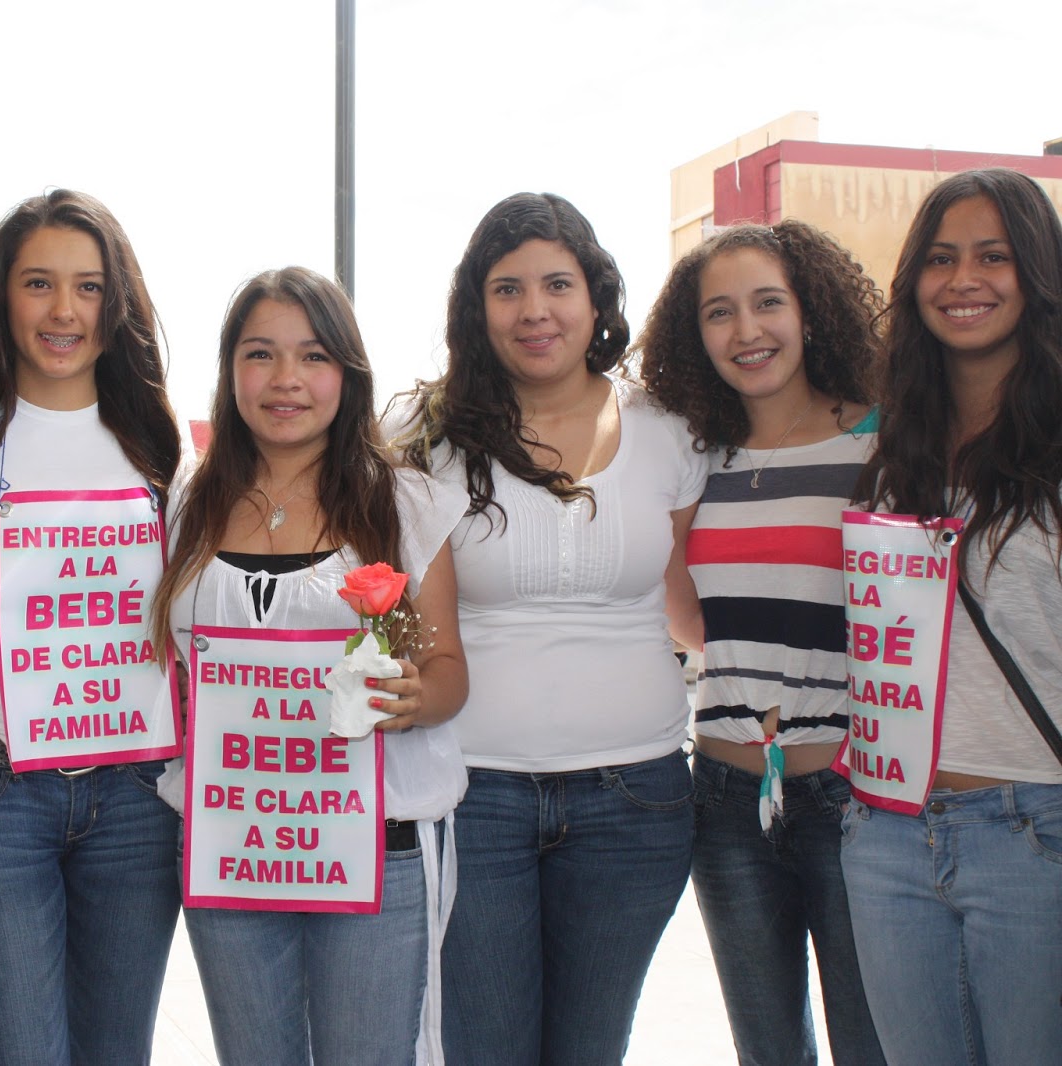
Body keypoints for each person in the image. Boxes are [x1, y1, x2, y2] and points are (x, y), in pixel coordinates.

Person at [394, 192, 705, 1064]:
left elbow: (689, 603)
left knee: (590, 1048)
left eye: (557, 284)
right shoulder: (424, 437)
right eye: (508, 289)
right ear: (477, 307)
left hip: (637, 801)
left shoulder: (671, 431)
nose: (535, 310)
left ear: (596, 297)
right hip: (473, 796)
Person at [150, 267, 469, 1065]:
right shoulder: (186, 506)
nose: (285, 378)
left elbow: (446, 669)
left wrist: (413, 697)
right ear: (230, 372)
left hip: (376, 846)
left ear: (348, 374)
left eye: (313, 356)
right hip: (233, 841)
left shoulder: (404, 503)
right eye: (260, 354)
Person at [0, 189, 183, 1066]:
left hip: (134, 794)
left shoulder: (160, 442)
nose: (64, 310)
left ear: (118, 303)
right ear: (1, 296)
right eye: (38, 283)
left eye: (89, 287)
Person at [637, 218, 887, 1066]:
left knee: (873, 1046)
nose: (747, 330)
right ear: (695, 333)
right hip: (724, 797)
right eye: (720, 312)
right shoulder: (696, 457)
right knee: (767, 1051)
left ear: (810, 310)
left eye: (768, 303)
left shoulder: (882, 442)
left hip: (855, 799)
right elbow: (684, 614)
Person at [845, 168, 1062, 1064]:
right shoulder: (891, 446)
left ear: (1037, 272)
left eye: (992, 256)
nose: (963, 279)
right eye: (940, 259)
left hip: (1034, 829)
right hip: (886, 829)